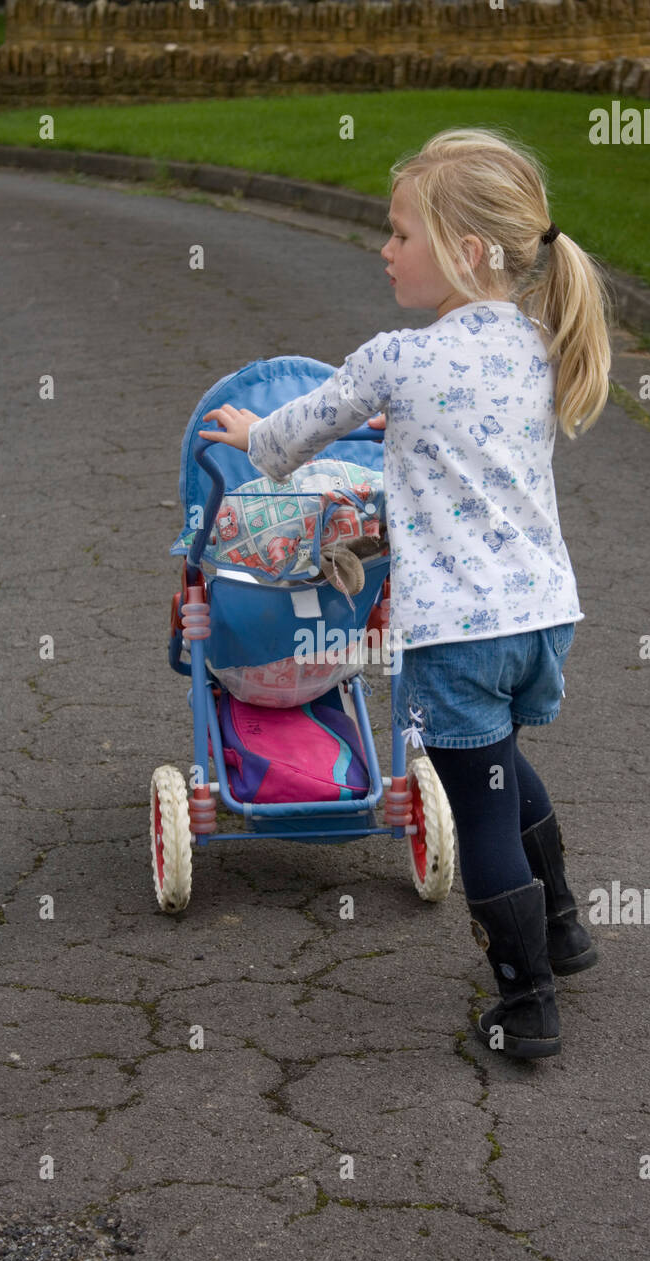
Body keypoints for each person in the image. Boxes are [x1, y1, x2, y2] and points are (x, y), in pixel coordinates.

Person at [197, 126, 612, 1060]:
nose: (383, 251)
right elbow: (463, 420)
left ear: (465, 254)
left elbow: (302, 432)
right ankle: (565, 928)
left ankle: (526, 1005)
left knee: (480, 805)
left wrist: (249, 435)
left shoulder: (396, 357)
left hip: (461, 631)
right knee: (497, 762)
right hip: (543, 617)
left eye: (398, 235)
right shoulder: (539, 346)